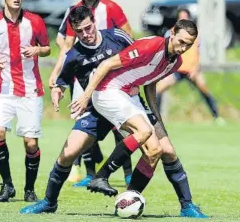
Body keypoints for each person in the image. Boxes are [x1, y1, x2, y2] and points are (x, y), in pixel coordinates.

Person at [20, 6, 159, 215]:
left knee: (155, 150)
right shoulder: (74, 55)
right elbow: (62, 81)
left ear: (94, 21)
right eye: (80, 31)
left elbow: (140, 56)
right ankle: (49, 202)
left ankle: (134, 197)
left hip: (126, 103)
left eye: (88, 28)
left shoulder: (117, 36)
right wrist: (57, 91)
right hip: (97, 108)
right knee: (67, 154)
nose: (86, 34)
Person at [70, 19, 208, 218]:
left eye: (189, 44)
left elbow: (150, 84)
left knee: (160, 150)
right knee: (144, 132)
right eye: (181, 41)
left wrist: (157, 119)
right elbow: (107, 63)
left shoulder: (175, 61)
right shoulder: (152, 45)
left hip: (131, 95)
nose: (183, 47)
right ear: (172, 33)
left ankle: (183, 206)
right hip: (109, 90)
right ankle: (101, 176)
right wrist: (85, 96)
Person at [51, 0, 133, 187]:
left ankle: (128, 174)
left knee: (121, 126)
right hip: (83, 77)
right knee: (84, 124)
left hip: (114, 78)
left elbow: (129, 37)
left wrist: (130, 74)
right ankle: (90, 173)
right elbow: (67, 45)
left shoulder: (112, 8)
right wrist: (56, 74)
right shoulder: (74, 11)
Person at [0, 0, 51, 202]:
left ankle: (29, 190)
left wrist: (37, 51)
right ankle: (7, 185)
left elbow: (48, 48)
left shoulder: (35, 21)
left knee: (31, 143)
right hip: (3, 90)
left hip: (30, 90)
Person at [156, 8, 223, 123]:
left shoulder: (196, 34)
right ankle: (156, 117)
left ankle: (217, 117)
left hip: (192, 69)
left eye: (185, 17)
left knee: (204, 89)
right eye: (181, 17)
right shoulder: (171, 32)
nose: (183, 19)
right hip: (176, 70)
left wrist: (196, 69)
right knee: (159, 88)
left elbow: (201, 53)